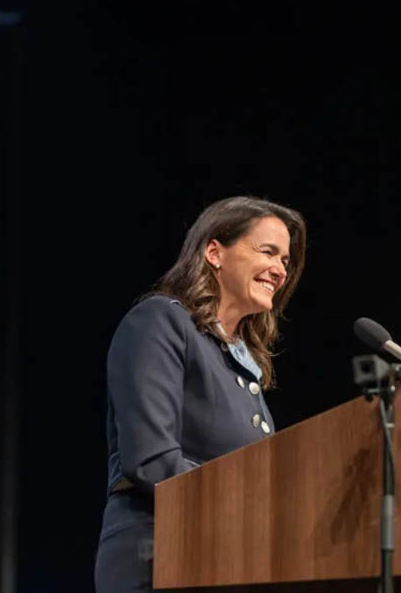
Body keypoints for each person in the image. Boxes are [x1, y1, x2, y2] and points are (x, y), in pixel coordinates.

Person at [94, 196, 307, 592]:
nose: (280, 270)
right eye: (268, 252)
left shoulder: (241, 360)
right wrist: (254, 509)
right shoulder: (160, 321)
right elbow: (152, 461)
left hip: (228, 559)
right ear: (214, 252)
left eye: (285, 261)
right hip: (157, 555)